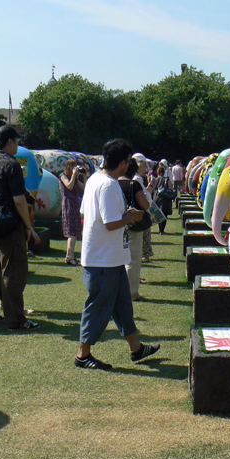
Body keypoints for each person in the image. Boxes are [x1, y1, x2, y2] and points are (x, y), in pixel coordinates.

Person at [75, 138, 160, 370]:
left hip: (108, 257)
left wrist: (125, 214)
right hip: (103, 259)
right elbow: (111, 223)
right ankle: (83, 355)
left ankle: (136, 347)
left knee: (122, 305)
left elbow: (89, 213)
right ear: (123, 163)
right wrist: (132, 216)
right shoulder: (108, 185)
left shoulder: (94, 179)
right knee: (98, 306)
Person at [0, 125, 40, 331]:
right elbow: (19, 201)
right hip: (8, 226)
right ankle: (16, 320)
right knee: (12, 272)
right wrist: (28, 226)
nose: (18, 145)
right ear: (10, 142)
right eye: (17, 141)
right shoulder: (11, 164)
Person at [118, 158, 149, 302]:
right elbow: (145, 205)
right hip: (132, 225)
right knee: (133, 259)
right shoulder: (134, 184)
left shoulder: (114, 183)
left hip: (116, 224)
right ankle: (132, 293)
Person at [59, 159, 86, 265]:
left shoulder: (73, 178)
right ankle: (70, 257)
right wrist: (74, 175)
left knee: (74, 231)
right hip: (68, 206)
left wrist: (84, 176)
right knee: (71, 232)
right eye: (74, 167)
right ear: (69, 167)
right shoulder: (63, 176)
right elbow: (69, 186)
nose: (76, 169)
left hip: (75, 205)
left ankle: (69, 256)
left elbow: (84, 188)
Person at [132, 153, 154, 262]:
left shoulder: (136, 178)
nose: (146, 168)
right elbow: (144, 197)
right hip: (140, 212)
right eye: (145, 165)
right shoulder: (137, 178)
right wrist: (150, 188)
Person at [154, 165, 173, 235]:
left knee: (159, 215)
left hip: (157, 198)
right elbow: (171, 187)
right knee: (164, 214)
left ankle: (159, 230)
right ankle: (162, 230)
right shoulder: (166, 179)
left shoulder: (155, 179)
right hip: (165, 198)